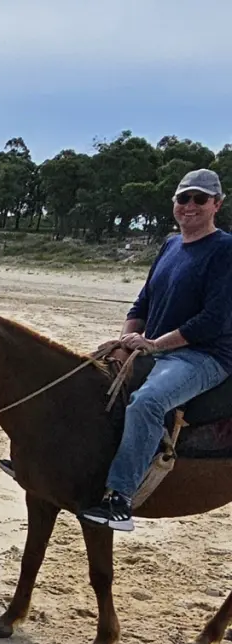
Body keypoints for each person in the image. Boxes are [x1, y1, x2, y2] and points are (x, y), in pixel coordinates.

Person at [78, 169, 232, 532]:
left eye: (200, 199)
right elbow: (142, 304)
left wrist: (153, 344)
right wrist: (123, 339)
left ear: (217, 205)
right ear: (174, 204)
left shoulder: (225, 249)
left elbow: (212, 320)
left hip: (204, 356)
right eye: (183, 198)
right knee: (84, 377)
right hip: (158, 349)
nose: (189, 206)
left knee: (148, 402)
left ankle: (120, 498)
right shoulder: (170, 245)